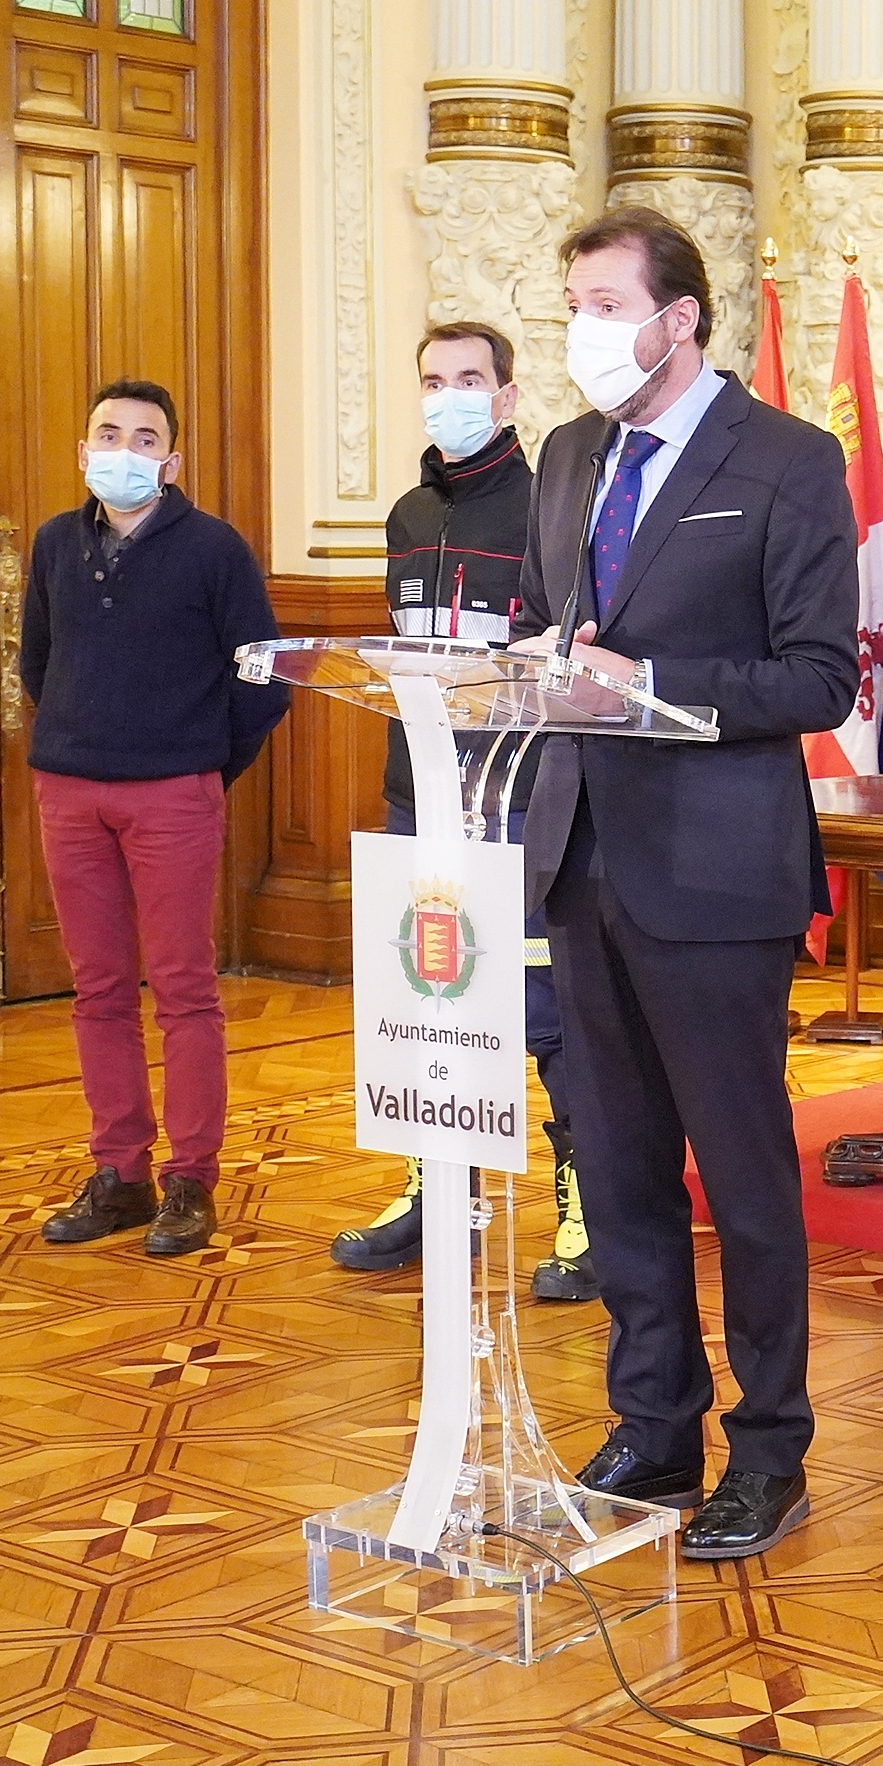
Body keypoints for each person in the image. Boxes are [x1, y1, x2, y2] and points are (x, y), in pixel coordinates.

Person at [511, 205, 857, 1561]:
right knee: (618, 1166)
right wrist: (538, 666)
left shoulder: (787, 460)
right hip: (578, 856)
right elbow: (558, 627)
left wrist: (647, 683)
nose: (583, 331)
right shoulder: (565, 454)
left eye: (605, 306)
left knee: (744, 1176)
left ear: (679, 320)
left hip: (714, 874)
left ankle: (770, 1451)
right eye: (574, 307)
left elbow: (816, 678)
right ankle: (654, 1424)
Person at [326, 320, 596, 1304]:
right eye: (434, 380)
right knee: (428, 998)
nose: (450, 396)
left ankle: (587, 1201)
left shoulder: (549, 507)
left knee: (542, 1005)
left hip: (519, 798)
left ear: (508, 395)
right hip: (421, 796)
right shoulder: (406, 514)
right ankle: (438, 1189)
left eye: (470, 379)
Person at [26, 381, 288, 1256]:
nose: (124, 451)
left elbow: (262, 678)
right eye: (109, 434)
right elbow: (38, 661)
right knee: (98, 989)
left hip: (175, 792)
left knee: (183, 989)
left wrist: (203, 764)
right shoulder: (55, 543)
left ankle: (190, 1180)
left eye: (144, 439)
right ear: (83, 450)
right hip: (70, 791)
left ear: (170, 462)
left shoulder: (215, 549)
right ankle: (120, 1173)